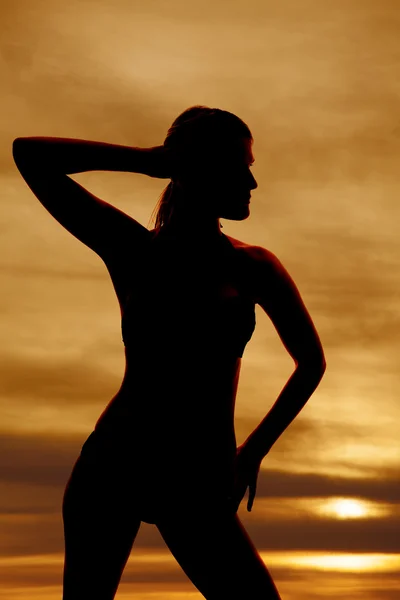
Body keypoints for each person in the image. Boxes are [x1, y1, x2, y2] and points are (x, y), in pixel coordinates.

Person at [12, 105, 326, 600]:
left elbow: (311, 363)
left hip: (198, 475)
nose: (252, 182)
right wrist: (151, 161)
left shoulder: (254, 266)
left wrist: (253, 452)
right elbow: (28, 154)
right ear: (201, 169)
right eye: (240, 165)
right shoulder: (135, 250)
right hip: (116, 462)